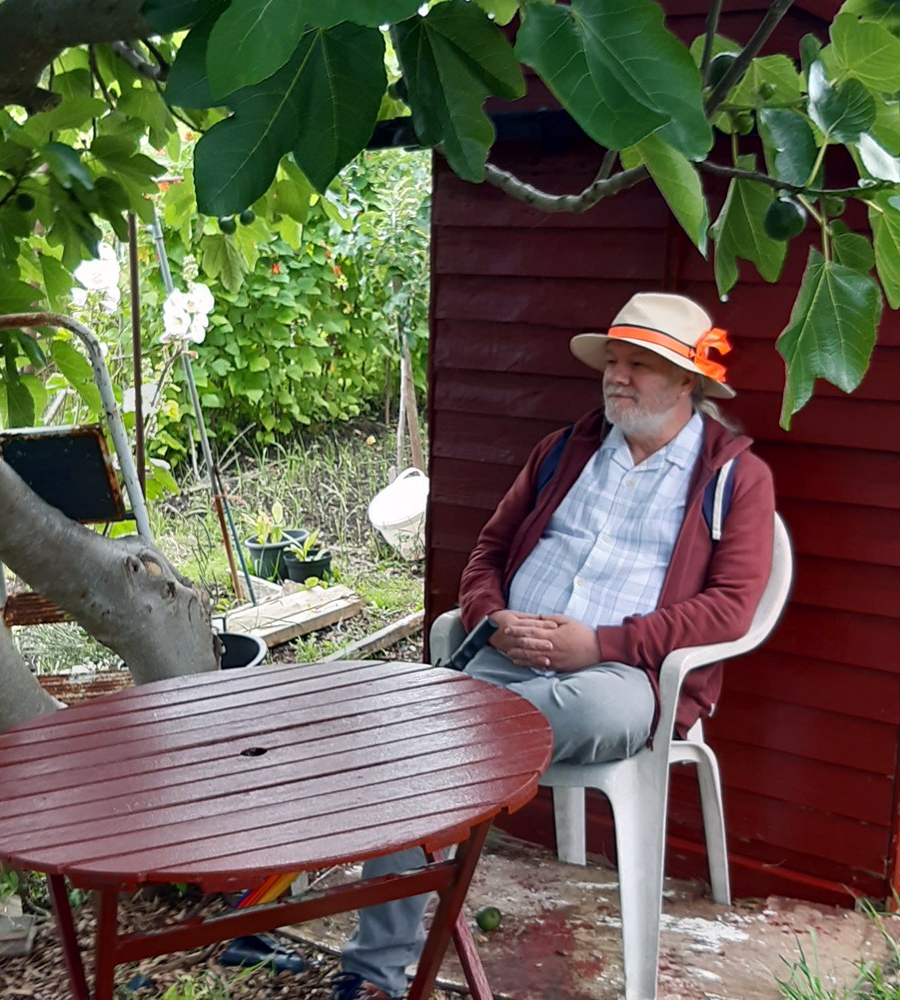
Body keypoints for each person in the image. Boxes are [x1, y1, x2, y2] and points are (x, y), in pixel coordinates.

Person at [331, 291, 776, 1000]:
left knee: (437, 747)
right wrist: (493, 614)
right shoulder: (566, 451)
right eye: (613, 362)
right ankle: (374, 977)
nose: (616, 377)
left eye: (640, 365)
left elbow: (729, 609)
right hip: (503, 659)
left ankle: (443, 739)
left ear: (687, 380)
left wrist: (601, 643)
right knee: (432, 758)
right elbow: (488, 551)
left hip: (622, 679)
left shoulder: (733, 477)